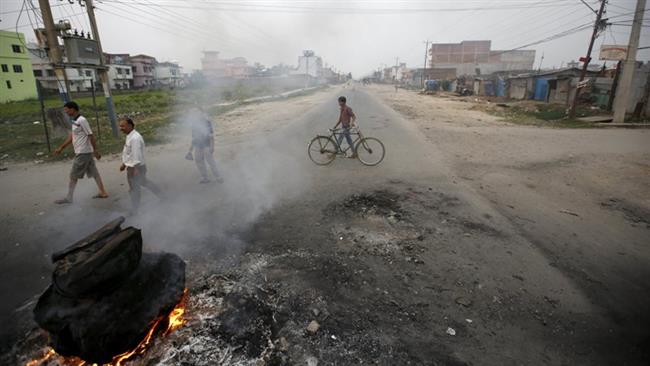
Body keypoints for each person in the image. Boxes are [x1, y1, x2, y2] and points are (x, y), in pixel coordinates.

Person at [54, 101, 108, 204]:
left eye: (66, 109)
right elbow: (72, 136)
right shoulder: (74, 121)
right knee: (94, 172)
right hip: (84, 152)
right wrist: (62, 147)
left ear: (72, 109)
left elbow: (90, 135)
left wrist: (95, 150)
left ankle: (69, 197)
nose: (65, 112)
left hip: (83, 152)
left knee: (73, 175)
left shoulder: (82, 120)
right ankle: (103, 192)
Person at [118, 117, 163, 212]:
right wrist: (124, 163)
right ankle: (163, 196)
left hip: (135, 168)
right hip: (134, 166)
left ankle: (135, 209)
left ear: (130, 126)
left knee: (134, 189)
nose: (120, 128)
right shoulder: (130, 135)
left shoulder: (135, 138)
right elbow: (129, 153)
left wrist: (135, 169)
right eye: (120, 126)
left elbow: (136, 154)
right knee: (144, 182)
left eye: (123, 126)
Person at [187, 108, 223, 184]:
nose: (196, 114)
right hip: (198, 145)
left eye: (198, 112)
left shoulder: (207, 122)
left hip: (206, 145)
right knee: (198, 161)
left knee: (211, 162)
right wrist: (190, 150)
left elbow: (211, 136)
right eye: (195, 113)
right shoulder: (194, 124)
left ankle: (218, 177)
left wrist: (212, 146)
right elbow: (194, 138)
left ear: (202, 113)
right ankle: (205, 178)